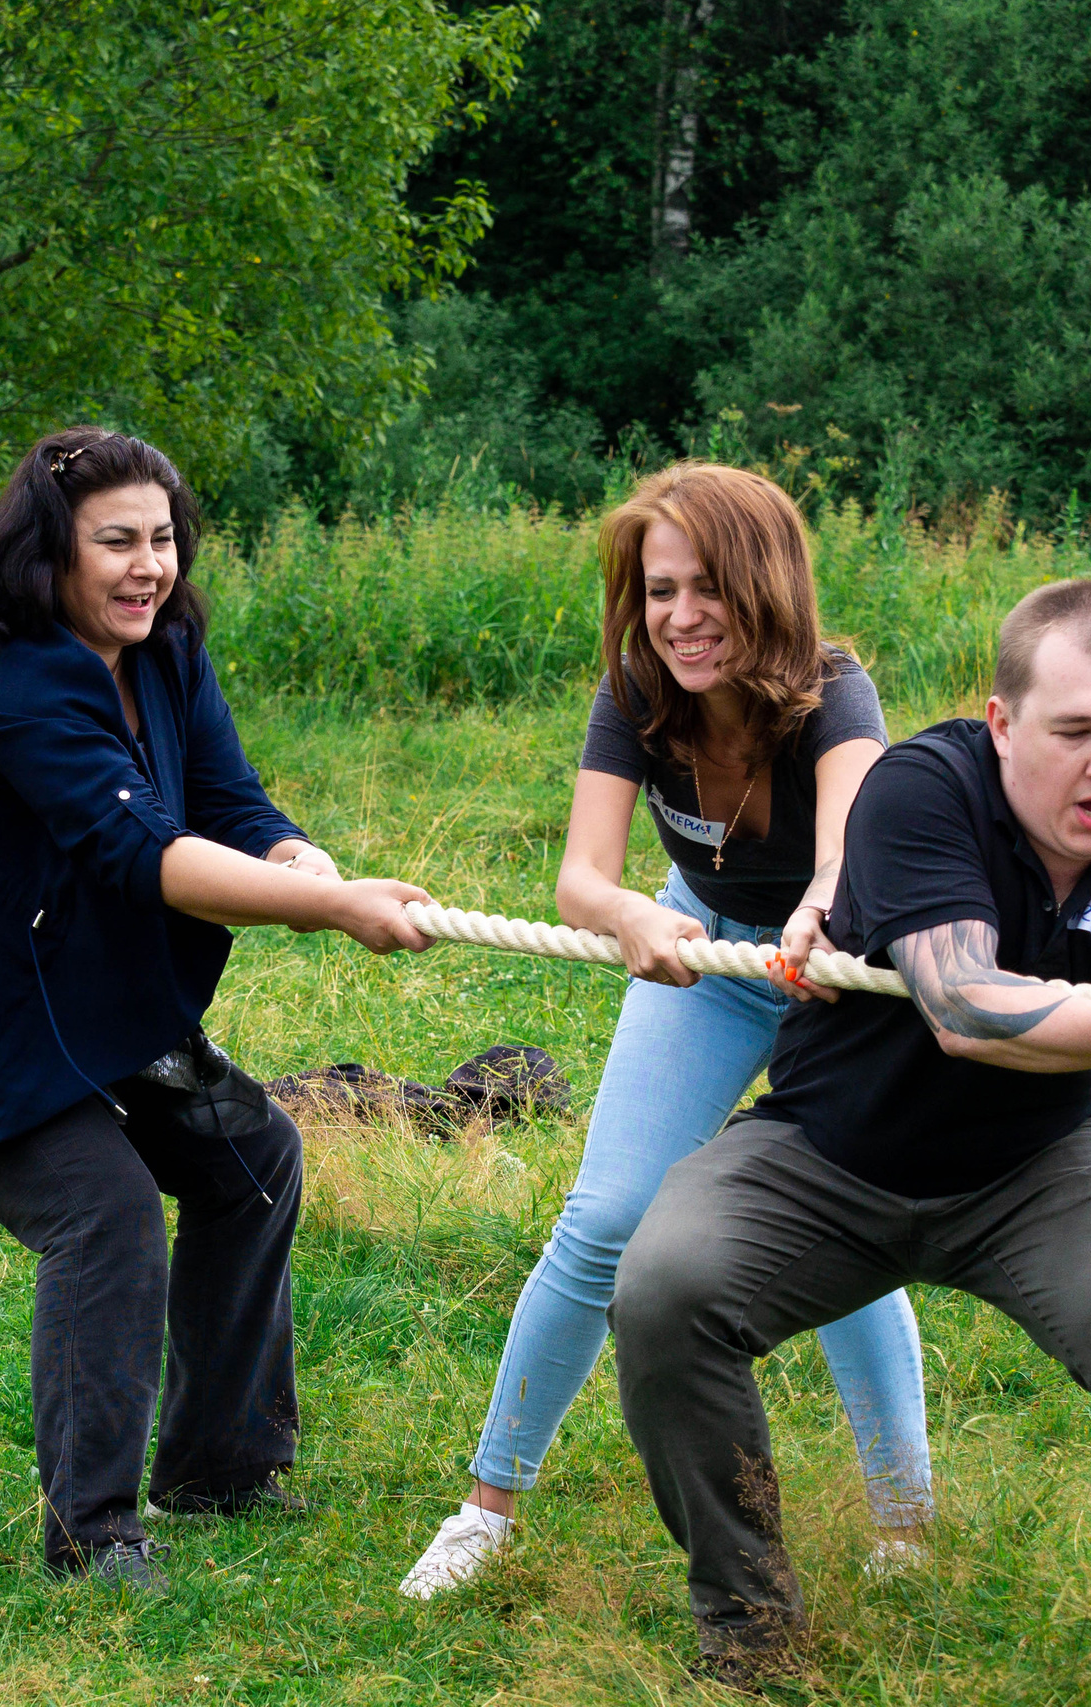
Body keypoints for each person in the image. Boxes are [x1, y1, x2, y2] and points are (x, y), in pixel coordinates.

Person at [611, 580, 1091, 1696]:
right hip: (829, 1153)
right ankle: (749, 1634)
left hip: (1044, 1166)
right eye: (1073, 731)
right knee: (664, 1287)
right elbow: (965, 1006)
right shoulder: (920, 789)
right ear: (1001, 722)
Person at [0, 427, 434, 1593]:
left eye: (162, 540)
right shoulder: (12, 686)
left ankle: (222, 1468)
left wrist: (294, 852)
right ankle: (91, 1538)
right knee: (106, 1216)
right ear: (50, 556)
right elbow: (137, 854)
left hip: (61, 985)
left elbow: (224, 798)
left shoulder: (163, 647)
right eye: (116, 544)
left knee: (249, 1159)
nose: (148, 566)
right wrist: (330, 910)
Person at [399, 462, 934, 1598]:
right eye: (658, 590)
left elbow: (847, 853)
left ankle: (902, 1523)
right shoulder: (637, 692)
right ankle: (485, 1512)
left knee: (850, 1234)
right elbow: (581, 879)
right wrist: (638, 913)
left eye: (707, 589)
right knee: (603, 1218)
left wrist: (816, 919)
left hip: (836, 963)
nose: (680, 618)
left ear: (765, 586)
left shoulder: (837, 694)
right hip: (704, 952)